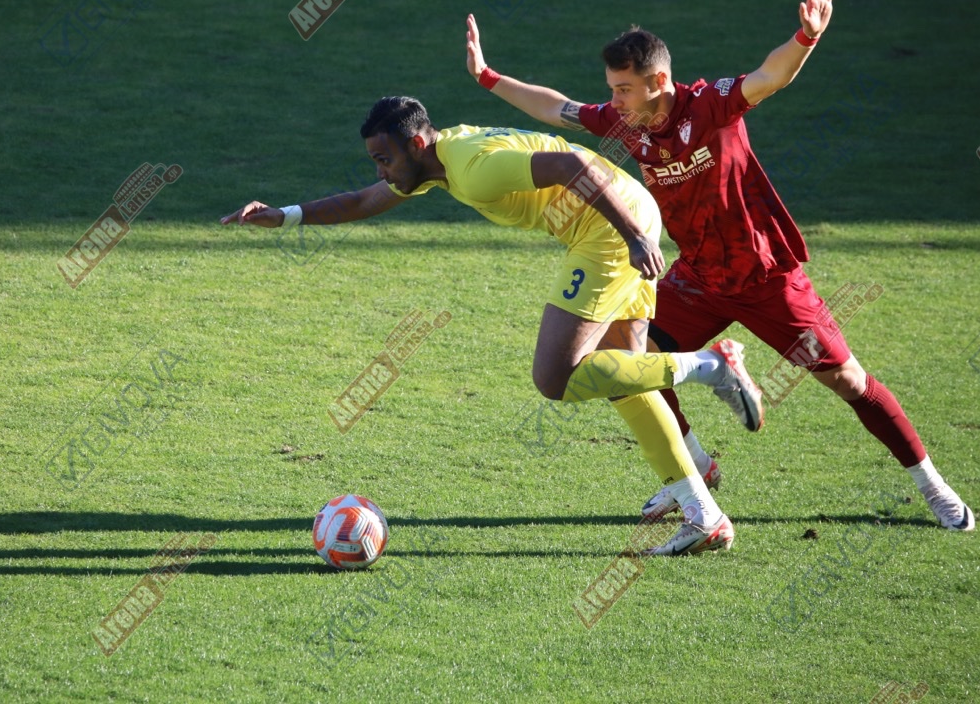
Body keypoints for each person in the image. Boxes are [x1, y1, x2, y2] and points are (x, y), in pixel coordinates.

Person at [464, 0, 975, 530]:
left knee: (848, 381)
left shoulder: (710, 105)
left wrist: (806, 37)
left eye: (624, 89)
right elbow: (558, 109)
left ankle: (933, 487)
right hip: (697, 281)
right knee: (627, 365)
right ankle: (697, 470)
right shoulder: (627, 122)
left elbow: (770, 76)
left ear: (659, 81)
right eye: (611, 89)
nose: (614, 101)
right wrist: (488, 76)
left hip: (766, 279)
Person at [221, 95, 765, 554]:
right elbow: (366, 199)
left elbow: (572, 168)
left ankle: (710, 365)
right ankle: (702, 510)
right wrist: (286, 215)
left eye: (384, 159)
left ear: (416, 144)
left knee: (556, 376)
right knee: (624, 375)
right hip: (627, 211)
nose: (380, 171)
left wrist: (633, 237)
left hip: (609, 228)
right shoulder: (438, 159)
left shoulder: (473, 168)